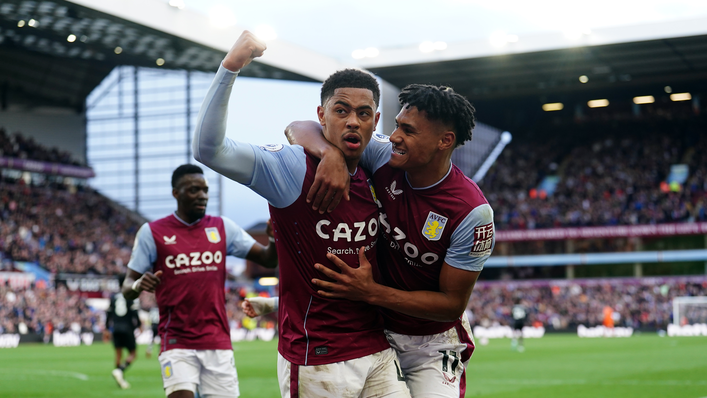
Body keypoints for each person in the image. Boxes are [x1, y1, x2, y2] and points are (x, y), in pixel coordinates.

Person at [193, 31, 410, 398]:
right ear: (322, 115)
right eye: (341, 111)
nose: (352, 122)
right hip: (316, 356)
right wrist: (231, 66)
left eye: (362, 114)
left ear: (376, 121)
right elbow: (209, 150)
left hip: (378, 348)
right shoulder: (291, 168)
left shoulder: (383, 164)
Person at [285, 82, 495, 397]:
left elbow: (451, 305)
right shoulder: (384, 155)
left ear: (444, 141)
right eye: (397, 125)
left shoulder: (472, 213)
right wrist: (328, 152)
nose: (394, 136)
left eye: (408, 131)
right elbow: (298, 127)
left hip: (432, 343)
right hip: (376, 332)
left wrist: (371, 292)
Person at [121, 163, 278, 398]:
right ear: (176, 193)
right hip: (176, 341)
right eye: (194, 190)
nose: (202, 196)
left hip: (217, 340)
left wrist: (274, 239)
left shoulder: (222, 227)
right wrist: (137, 285)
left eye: (205, 190)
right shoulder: (152, 232)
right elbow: (126, 288)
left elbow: (267, 260)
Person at [105, 275, 141, 389]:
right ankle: (120, 371)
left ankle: (120, 378)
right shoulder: (130, 295)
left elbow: (108, 314)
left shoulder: (113, 297)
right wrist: (139, 325)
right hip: (127, 328)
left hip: (115, 328)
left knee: (118, 354)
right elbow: (135, 313)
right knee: (133, 354)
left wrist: (107, 328)